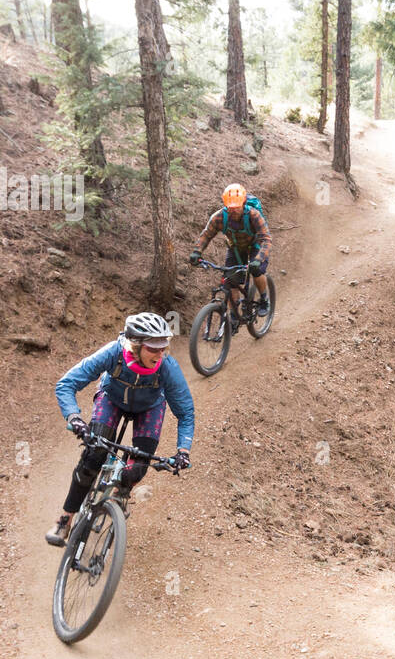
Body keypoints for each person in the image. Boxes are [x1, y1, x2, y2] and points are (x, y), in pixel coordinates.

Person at [46, 312, 195, 546]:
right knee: (93, 457)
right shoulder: (113, 353)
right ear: (135, 346)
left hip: (150, 407)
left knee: (136, 469)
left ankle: (120, 494)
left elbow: (185, 412)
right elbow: (66, 384)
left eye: (163, 347)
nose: (160, 354)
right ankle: (66, 518)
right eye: (153, 348)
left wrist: (183, 451)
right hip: (112, 399)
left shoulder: (167, 367)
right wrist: (74, 417)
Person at [189, 183, 272, 333]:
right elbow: (206, 235)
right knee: (231, 281)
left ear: (243, 203)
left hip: (255, 246)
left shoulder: (253, 215)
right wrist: (197, 252)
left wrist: (258, 259)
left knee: (257, 270)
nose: (233, 210)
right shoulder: (219, 217)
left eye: (236, 206)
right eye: (230, 207)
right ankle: (234, 315)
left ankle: (264, 300)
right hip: (235, 248)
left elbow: (266, 238)